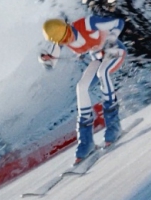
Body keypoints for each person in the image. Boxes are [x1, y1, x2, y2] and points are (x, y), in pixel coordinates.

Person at [39, 15, 127, 164]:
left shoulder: (87, 24)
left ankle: (114, 126)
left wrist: (111, 39)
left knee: (102, 72)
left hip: (115, 51)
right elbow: (51, 61)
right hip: (98, 58)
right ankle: (86, 142)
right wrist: (46, 59)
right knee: (81, 87)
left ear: (67, 26)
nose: (67, 40)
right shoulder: (60, 40)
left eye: (67, 35)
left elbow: (119, 22)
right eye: (62, 41)